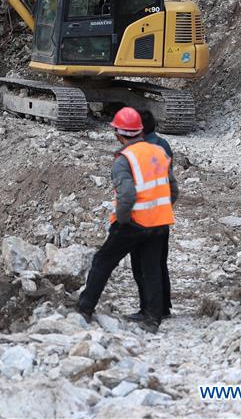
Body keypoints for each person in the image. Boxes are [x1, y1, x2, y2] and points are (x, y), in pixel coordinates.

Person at [76, 107, 179, 333]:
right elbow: (173, 189)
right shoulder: (159, 152)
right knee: (151, 268)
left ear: (118, 133)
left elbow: (127, 195)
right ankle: (153, 318)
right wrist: (160, 209)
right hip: (159, 222)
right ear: (140, 131)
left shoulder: (124, 160)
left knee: (102, 262)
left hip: (133, 222)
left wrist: (122, 221)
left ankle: (84, 308)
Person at [127, 109, 174, 322]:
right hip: (162, 214)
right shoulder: (163, 146)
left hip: (143, 215)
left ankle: (148, 309)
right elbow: (171, 184)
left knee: (143, 265)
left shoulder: (138, 151)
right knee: (159, 262)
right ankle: (163, 306)